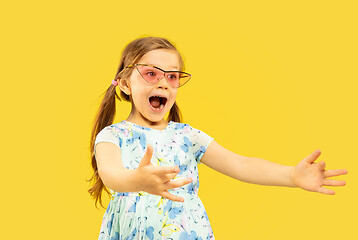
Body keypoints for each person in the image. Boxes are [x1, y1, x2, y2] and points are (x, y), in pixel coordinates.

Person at [88, 36, 348, 240]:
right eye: (151, 73)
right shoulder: (113, 136)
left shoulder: (187, 136)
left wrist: (291, 175)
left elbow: (240, 164)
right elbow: (111, 174)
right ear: (124, 84)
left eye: (172, 76)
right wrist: (137, 180)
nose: (164, 83)